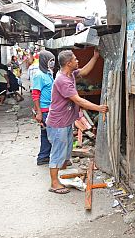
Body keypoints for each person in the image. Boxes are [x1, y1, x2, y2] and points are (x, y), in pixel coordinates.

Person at [46, 49, 108, 194]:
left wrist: (95, 57)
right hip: (58, 124)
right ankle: (54, 183)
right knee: (57, 153)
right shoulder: (62, 80)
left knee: (65, 153)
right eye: (75, 59)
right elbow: (79, 100)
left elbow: (84, 72)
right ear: (68, 63)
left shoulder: (70, 74)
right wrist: (99, 108)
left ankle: (61, 176)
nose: (77, 61)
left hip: (65, 122)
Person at [32, 50, 55, 165]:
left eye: (53, 60)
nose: (52, 63)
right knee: (51, 133)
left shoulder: (48, 74)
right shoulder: (39, 76)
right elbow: (35, 94)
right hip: (45, 110)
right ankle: (49, 157)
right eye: (50, 60)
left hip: (50, 109)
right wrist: (39, 113)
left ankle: (43, 156)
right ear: (44, 61)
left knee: (46, 134)